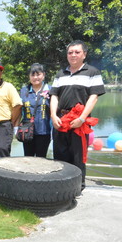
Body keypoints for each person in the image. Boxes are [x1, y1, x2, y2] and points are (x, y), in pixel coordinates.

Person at [50, 40, 105, 192]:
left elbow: (94, 97)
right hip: (61, 120)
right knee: (60, 153)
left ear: (84, 55)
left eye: (77, 52)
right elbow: (54, 96)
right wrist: (53, 116)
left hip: (79, 122)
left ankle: (76, 187)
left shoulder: (92, 72)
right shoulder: (60, 74)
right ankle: (60, 186)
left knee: (78, 156)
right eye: (70, 52)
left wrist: (82, 119)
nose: (73, 55)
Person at [20, 63, 52, 157]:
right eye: (32, 75)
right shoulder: (24, 90)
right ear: (29, 76)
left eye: (38, 74)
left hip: (44, 131)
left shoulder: (50, 90)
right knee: (28, 158)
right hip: (27, 131)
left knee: (41, 159)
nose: (35, 77)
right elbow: (18, 109)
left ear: (44, 75)